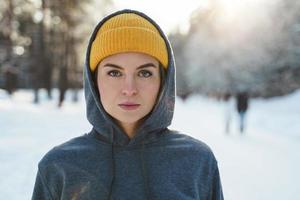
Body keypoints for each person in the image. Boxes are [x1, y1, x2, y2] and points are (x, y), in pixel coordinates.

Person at [32, 9, 223, 200]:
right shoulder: (58, 166)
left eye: (144, 73)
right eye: (114, 73)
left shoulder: (197, 161)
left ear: (163, 81)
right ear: (94, 81)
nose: (129, 89)